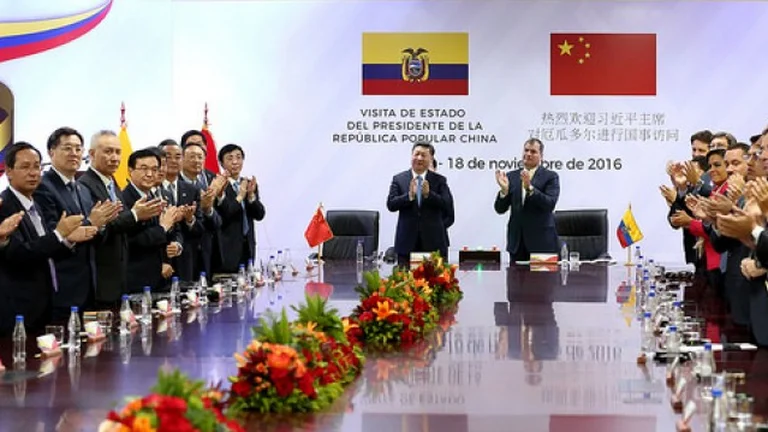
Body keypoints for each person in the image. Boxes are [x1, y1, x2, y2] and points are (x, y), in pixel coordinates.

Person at [387, 142, 453, 267]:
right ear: (411, 156)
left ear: (431, 159)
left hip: (433, 243)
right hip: (406, 244)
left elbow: (446, 205)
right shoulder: (399, 179)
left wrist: (429, 195)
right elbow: (391, 204)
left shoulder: (439, 180)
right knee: (405, 284)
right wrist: (409, 196)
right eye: (416, 154)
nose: (419, 158)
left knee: (435, 283)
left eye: (424, 155)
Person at [494, 138, 560, 262]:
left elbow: (549, 204)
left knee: (542, 281)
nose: (528, 154)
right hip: (517, 243)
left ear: (541, 156)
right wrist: (504, 191)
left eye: (533, 152)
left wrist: (530, 188)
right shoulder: (512, 176)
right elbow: (500, 209)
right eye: (526, 150)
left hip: (542, 243)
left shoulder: (550, 177)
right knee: (515, 280)